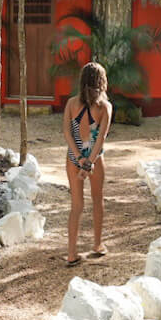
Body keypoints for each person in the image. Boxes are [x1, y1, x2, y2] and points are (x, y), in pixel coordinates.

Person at [63, 61, 113, 267]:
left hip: (73, 158)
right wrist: (89, 162)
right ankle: (97, 245)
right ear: (102, 82)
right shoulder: (105, 107)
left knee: (76, 206)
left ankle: (71, 254)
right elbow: (101, 138)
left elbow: (67, 132)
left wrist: (79, 158)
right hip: (95, 159)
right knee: (97, 200)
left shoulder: (71, 104)